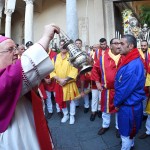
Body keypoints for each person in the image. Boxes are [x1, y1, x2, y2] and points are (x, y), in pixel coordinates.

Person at [0, 24, 60, 150]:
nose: (16, 52)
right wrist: (46, 37)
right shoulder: (5, 78)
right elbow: (18, 73)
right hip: (15, 136)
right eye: (10, 49)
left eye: (16, 48)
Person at [114, 34, 146, 150]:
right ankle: (130, 145)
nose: (119, 46)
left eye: (122, 44)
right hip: (129, 105)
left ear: (131, 46)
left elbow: (124, 90)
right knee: (129, 132)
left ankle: (127, 147)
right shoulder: (130, 60)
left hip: (128, 106)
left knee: (126, 134)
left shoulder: (132, 65)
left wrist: (116, 103)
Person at [91, 38, 122, 137]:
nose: (118, 45)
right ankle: (105, 125)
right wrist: (97, 82)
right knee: (105, 109)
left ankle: (119, 127)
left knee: (119, 109)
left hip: (121, 90)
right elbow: (95, 70)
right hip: (107, 89)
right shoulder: (102, 58)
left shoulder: (124, 56)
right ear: (111, 45)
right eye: (116, 43)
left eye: (120, 43)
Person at [50, 39, 79, 124]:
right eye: (61, 45)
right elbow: (51, 70)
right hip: (59, 83)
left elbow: (74, 70)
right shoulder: (55, 58)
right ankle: (66, 114)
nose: (63, 46)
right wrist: (59, 79)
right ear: (59, 46)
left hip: (69, 83)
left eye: (65, 45)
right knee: (60, 100)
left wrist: (65, 80)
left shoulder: (72, 57)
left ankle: (72, 115)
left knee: (71, 100)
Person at [90, 38, 109, 121]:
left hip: (105, 78)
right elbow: (94, 65)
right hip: (96, 76)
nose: (103, 45)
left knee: (102, 96)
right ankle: (93, 112)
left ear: (106, 43)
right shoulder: (97, 52)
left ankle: (99, 110)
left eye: (104, 44)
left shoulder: (110, 51)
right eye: (102, 44)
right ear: (100, 44)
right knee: (94, 96)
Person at [44, 47, 61, 119]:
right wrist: (44, 79)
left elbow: (58, 67)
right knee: (47, 97)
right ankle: (50, 111)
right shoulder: (41, 55)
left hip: (54, 79)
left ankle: (59, 110)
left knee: (57, 96)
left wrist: (52, 77)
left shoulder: (55, 54)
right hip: (45, 79)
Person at [138, 40, 150, 139]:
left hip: (148, 78)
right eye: (142, 45)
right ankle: (143, 114)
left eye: (145, 45)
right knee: (144, 98)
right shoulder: (138, 53)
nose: (143, 47)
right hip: (142, 80)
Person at [75, 38, 90, 111]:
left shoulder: (84, 53)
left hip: (83, 72)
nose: (78, 45)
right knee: (76, 89)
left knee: (84, 90)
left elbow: (88, 62)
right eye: (76, 43)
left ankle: (86, 106)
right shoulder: (72, 54)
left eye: (79, 43)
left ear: (81, 45)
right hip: (75, 72)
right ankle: (76, 104)